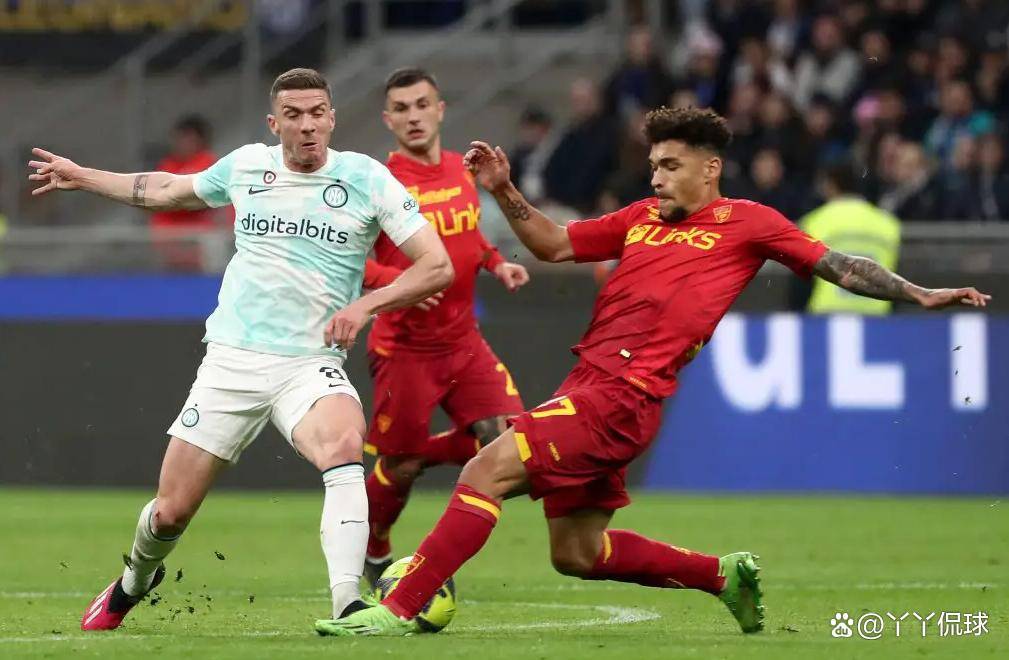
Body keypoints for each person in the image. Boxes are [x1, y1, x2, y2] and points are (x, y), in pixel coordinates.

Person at [315, 107, 990, 637]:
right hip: (589, 388)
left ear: (710, 168)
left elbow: (839, 265)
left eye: (670, 166)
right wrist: (504, 190)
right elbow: (554, 244)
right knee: (577, 554)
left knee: (483, 470)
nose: (656, 178)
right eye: (653, 165)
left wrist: (918, 293)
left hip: (624, 395)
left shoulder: (747, 223)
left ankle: (397, 607)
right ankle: (721, 575)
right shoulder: (640, 218)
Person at [27, 68, 454, 632]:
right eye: (294, 116)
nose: (307, 125)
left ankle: (347, 605)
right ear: (275, 123)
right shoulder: (248, 165)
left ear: (332, 118)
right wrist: (84, 177)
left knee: (345, 445)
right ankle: (134, 581)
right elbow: (166, 190)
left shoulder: (367, 179)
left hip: (311, 363)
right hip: (232, 361)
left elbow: (437, 265)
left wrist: (365, 306)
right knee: (170, 511)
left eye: (317, 113)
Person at [360, 68, 529, 585]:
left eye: (421, 104)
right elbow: (348, 258)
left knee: (515, 442)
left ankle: (418, 453)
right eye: (401, 108)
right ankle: (374, 547)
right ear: (388, 120)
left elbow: (467, 232)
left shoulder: (461, 169)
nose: (413, 116)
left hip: (463, 340)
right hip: (404, 348)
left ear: (440, 110)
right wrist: (401, 281)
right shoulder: (377, 183)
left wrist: (495, 262)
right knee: (401, 470)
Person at [800, 162, 901, 315]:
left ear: (831, 185)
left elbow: (801, 284)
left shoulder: (814, 221)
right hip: (877, 315)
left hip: (826, 315)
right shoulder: (888, 223)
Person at [149, 115, 231, 271]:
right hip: (168, 238)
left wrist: (174, 197)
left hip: (200, 238)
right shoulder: (167, 165)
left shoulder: (209, 163)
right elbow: (157, 199)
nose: (182, 143)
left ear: (200, 141)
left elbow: (196, 199)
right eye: (179, 138)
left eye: (188, 138)